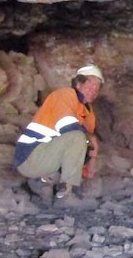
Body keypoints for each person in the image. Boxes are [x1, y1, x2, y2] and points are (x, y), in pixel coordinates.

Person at [14, 65, 104, 201]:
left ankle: (50, 180)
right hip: (30, 157)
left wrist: (92, 161)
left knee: (83, 142)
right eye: (90, 86)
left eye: (97, 89)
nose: (94, 91)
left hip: (48, 156)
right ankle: (66, 192)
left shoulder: (88, 111)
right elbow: (68, 127)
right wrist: (92, 140)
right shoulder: (66, 95)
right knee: (78, 137)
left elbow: (87, 146)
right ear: (78, 84)